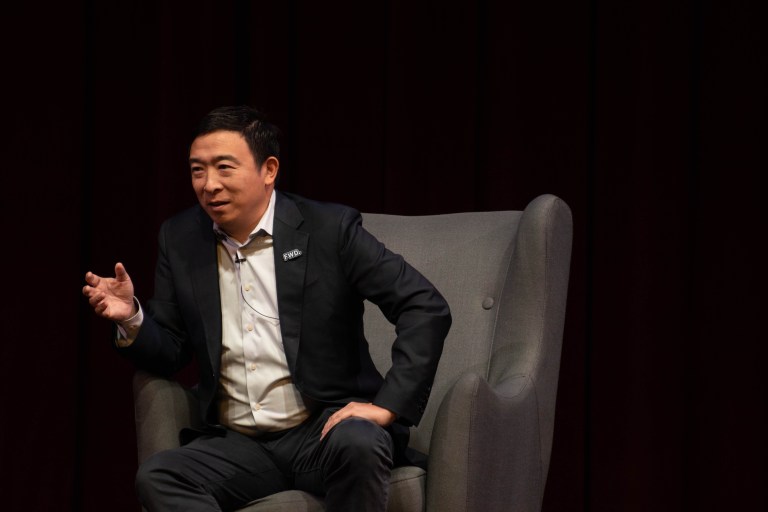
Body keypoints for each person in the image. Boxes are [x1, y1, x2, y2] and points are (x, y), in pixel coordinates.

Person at [82, 105, 452, 512]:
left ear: (269, 169)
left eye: (224, 167)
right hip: (240, 445)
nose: (209, 185)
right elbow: (171, 350)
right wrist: (131, 319)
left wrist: (386, 405)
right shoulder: (181, 238)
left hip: (323, 429)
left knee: (360, 441)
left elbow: (424, 305)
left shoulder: (328, 229)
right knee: (159, 477)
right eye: (197, 170)